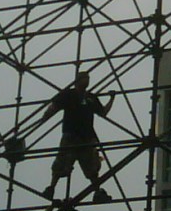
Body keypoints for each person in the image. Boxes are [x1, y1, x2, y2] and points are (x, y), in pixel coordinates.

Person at [41, 70, 116, 203]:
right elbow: (54, 106)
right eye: (84, 78)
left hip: (86, 137)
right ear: (77, 80)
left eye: (88, 78)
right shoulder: (69, 94)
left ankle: (97, 192)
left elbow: (103, 112)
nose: (87, 80)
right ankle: (51, 188)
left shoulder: (90, 98)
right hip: (71, 134)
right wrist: (45, 116)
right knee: (61, 163)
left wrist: (112, 99)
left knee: (91, 168)